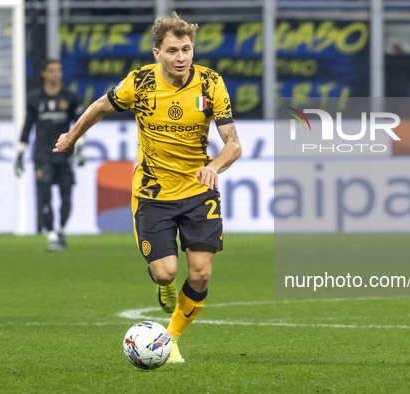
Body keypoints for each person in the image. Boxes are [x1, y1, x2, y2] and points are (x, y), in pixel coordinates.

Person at [53, 13, 241, 363]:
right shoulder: (139, 83)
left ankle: (168, 339)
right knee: (165, 271)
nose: (181, 57)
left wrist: (213, 167)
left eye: (186, 49)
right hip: (153, 193)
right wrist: (71, 137)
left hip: (198, 192)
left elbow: (233, 144)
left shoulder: (210, 83)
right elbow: (99, 106)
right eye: (172, 51)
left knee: (200, 273)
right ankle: (164, 286)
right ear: (158, 54)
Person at [15, 59, 85, 250]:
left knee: (67, 199)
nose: (56, 74)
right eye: (52, 70)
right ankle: (52, 234)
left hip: (65, 155)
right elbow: (27, 126)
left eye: (59, 70)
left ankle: (61, 229)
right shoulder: (34, 99)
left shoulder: (70, 98)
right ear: (44, 73)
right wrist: (20, 154)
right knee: (44, 196)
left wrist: (81, 148)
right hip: (42, 156)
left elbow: (80, 125)